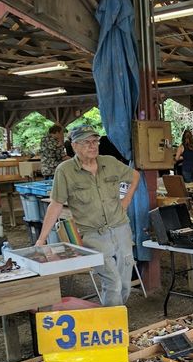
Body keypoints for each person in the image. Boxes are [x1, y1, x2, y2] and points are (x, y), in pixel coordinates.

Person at [36, 125, 140, 307]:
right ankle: (111, 324)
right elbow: (56, 204)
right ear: (74, 146)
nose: (93, 146)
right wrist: (41, 239)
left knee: (124, 284)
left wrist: (127, 200)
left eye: (95, 141)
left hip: (121, 228)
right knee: (113, 283)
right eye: (86, 142)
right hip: (94, 235)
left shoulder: (110, 162)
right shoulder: (65, 171)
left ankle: (114, 318)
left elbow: (135, 176)